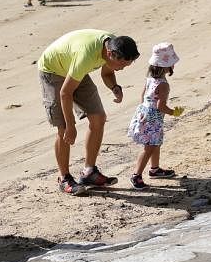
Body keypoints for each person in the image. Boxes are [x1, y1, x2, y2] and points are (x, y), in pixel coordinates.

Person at [38, 30, 140, 195]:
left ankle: (89, 173)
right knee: (63, 128)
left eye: (126, 65)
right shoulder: (86, 57)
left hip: (73, 69)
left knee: (98, 118)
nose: (122, 69)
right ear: (110, 54)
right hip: (53, 70)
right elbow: (65, 93)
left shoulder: (114, 45)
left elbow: (107, 72)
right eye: (121, 64)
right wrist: (71, 125)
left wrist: (114, 87)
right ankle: (64, 178)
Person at [127, 43, 184, 189]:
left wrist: (143, 112)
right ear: (166, 67)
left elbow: (142, 96)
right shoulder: (163, 84)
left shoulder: (150, 79)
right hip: (153, 118)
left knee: (155, 143)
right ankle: (136, 175)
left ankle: (155, 169)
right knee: (149, 147)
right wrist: (173, 112)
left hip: (144, 113)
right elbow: (161, 106)